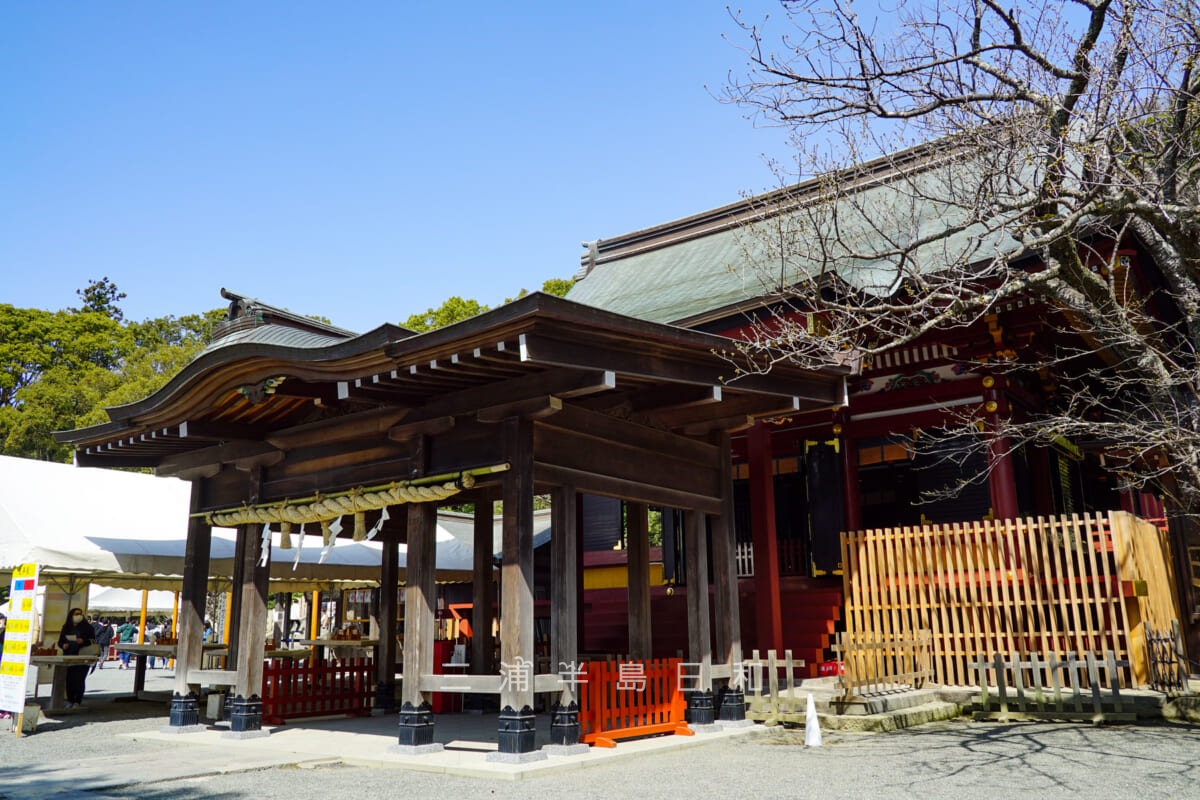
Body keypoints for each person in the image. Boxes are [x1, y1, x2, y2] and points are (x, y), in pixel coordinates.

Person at [57, 607, 95, 708]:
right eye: (76, 614)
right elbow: (60, 641)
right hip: (69, 655)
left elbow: (92, 641)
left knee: (79, 679)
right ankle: (70, 700)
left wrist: (83, 641)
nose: (78, 616)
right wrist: (63, 645)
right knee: (69, 679)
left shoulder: (88, 628)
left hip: (83, 656)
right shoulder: (66, 627)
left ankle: (77, 701)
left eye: (80, 614)